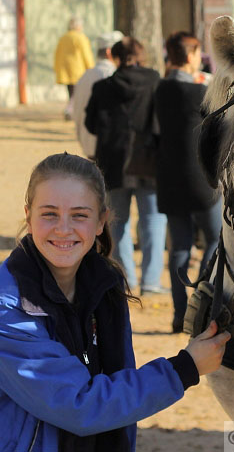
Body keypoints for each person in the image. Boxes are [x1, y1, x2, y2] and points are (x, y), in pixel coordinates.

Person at [0, 153, 230, 450]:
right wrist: (184, 368)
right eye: (49, 214)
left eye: (79, 215)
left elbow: (117, 404)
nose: (63, 228)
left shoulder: (104, 287)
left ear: (101, 221)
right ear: (28, 217)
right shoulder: (3, 307)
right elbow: (78, 405)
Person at [85, 37, 167, 295]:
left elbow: (91, 125)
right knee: (153, 220)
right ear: (141, 56)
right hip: (149, 160)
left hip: (113, 161)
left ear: (114, 57)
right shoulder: (155, 81)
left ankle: (125, 279)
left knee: (116, 223)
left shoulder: (103, 87)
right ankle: (151, 281)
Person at [155, 32, 222, 333]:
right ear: (192, 56)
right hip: (201, 177)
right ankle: (201, 301)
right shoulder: (202, 92)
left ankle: (179, 312)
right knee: (214, 239)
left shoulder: (160, 89)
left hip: (168, 176)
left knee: (179, 247)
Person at [72, 30, 124, 159]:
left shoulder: (85, 76)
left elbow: (77, 112)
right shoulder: (112, 76)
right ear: (109, 52)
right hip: (105, 146)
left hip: (87, 145)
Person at [54, 17, 95, 120]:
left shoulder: (64, 37)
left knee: (71, 92)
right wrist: (91, 68)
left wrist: (57, 68)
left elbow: (57, 54)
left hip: (65, 69)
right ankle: (70, 110)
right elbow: (86, 55)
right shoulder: (80, 37)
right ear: (78, 26)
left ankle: (71, 110)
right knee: (76, 93)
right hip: (78, 69)